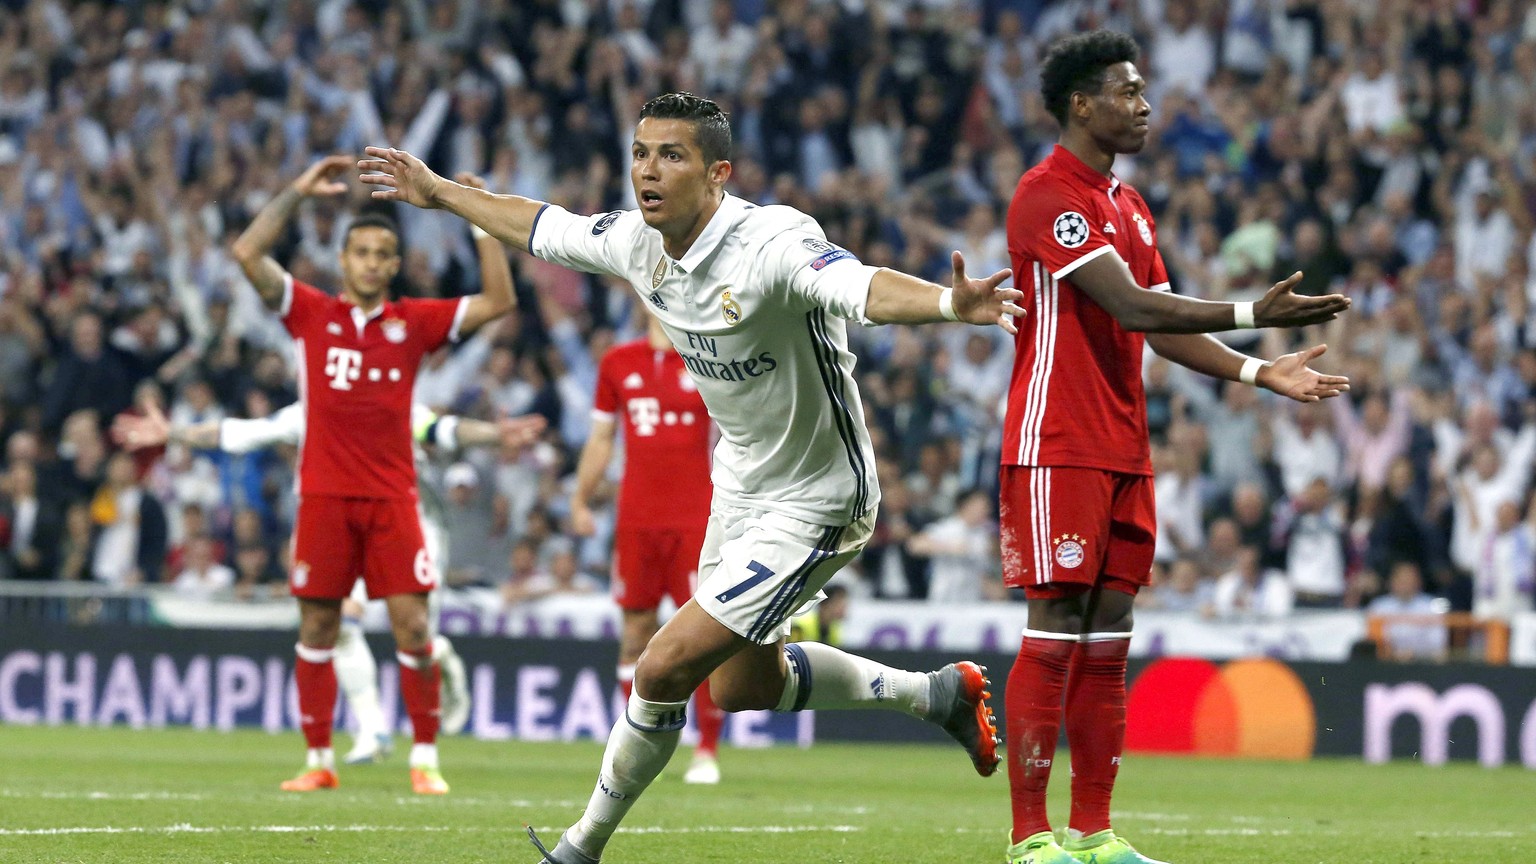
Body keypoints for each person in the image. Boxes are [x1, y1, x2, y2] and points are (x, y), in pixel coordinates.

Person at [359, 91, 1022, 863]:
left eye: (671, 155)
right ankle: (937, 694)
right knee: (740, 689)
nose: (648, 170)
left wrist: (948, 302)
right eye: (641, 152)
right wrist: (438, 191)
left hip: (820, 496)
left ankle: (578, 850)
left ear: (718, 175)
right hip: (740, 484)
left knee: (663, 664)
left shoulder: (771, 241)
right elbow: (539, 224)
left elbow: (861, 286)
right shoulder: (637, 241)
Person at [998, 32, 1351, 864]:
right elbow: (1137, 310)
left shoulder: (1129, 205)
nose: (1145, 104)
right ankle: (1028, 837)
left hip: (1124, 444)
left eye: (1145, 89)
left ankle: (1093, 832)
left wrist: (1263, 375)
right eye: (1128, 91)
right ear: (1082, 103)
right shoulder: (1048, 195)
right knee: (1054, 626)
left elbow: (1164, 334)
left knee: (1111, 631)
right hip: (1058, 441)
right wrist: (1248, 312)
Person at [228, 156, 514, 795]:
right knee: (318, 630)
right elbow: (247, 251)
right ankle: (318, 761)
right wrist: (297, 193)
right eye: (360, 250)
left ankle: (426, 760)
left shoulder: (413, 322)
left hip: (392, 500)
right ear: (344, 258)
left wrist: (479, 221)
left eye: (383, 252)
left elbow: (500, 300)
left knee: (415, 630)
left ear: (392, 264)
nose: (370, 261)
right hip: (325, 498)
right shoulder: (310, 314)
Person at [113, 394, 545, 761]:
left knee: (415, 635)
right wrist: (174, 433)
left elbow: (443, 430)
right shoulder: (312, 406)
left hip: (413, 523)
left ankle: (443, 657)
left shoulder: (391, 396)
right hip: (348, 524)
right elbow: (238, 433)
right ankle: (373, 728)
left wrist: (494, 434)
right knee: (342, 623)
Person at [570, 309, 726, 784]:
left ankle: (707, 749)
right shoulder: (617, 361)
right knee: (635, 631)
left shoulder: (708, 356)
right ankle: (634, 742)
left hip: (694, 518)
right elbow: (601, 439)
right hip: (636, 519)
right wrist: (579, 499)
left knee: (702, 636)